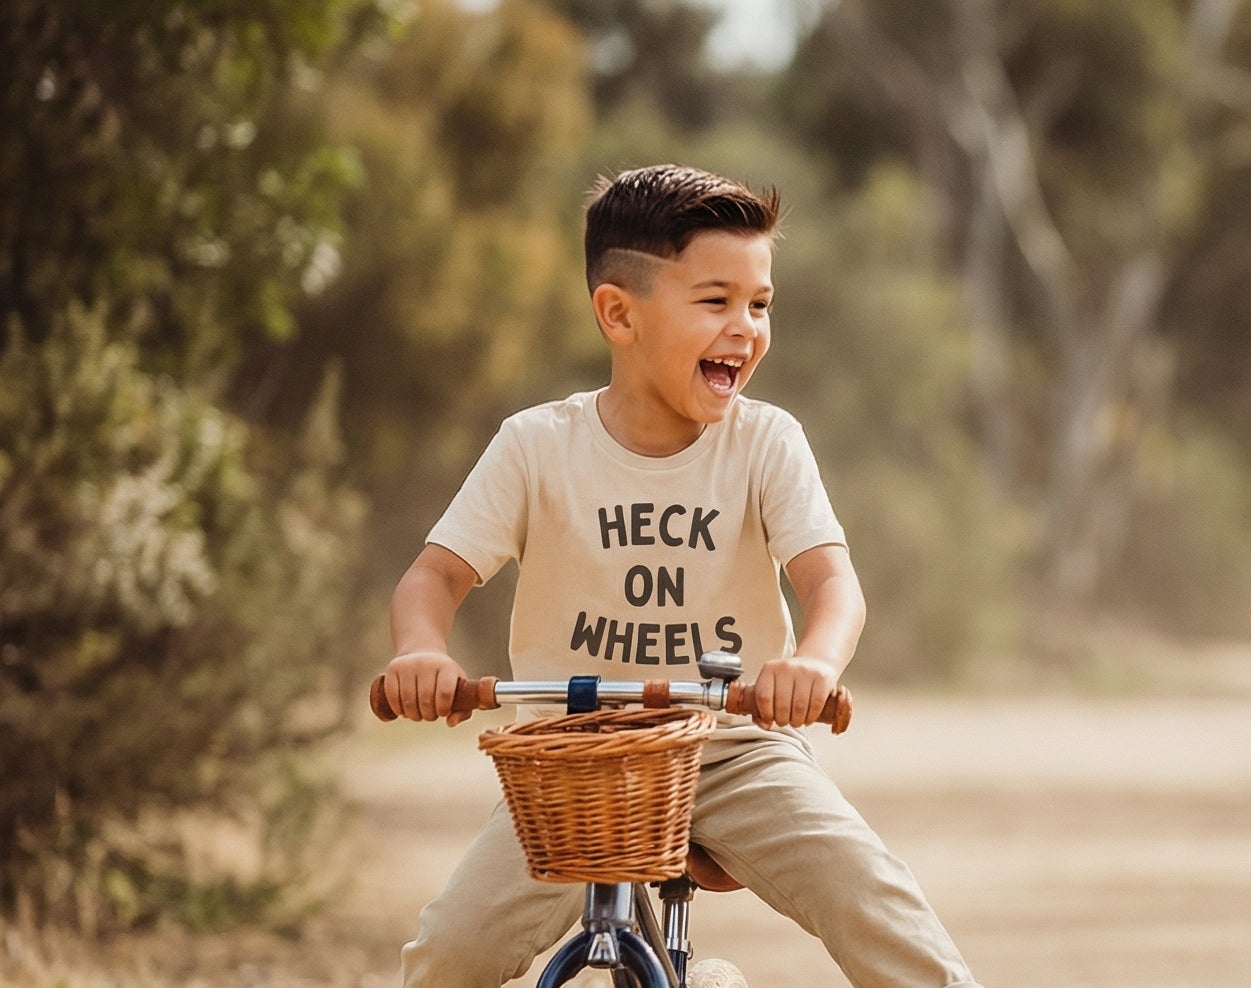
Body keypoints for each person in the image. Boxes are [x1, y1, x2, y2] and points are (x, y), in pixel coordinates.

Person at [374, 164, 983, 987]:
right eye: (715, 301)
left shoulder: (765, 443)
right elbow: (432, 579)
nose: (746, 328)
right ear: (619, 314)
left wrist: (812, 665)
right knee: (452, 951)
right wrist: (421, 652)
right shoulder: (536, 446)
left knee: (872, 899)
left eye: (760, 304)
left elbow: (833, 585)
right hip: (569, 763)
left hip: (736, 748)